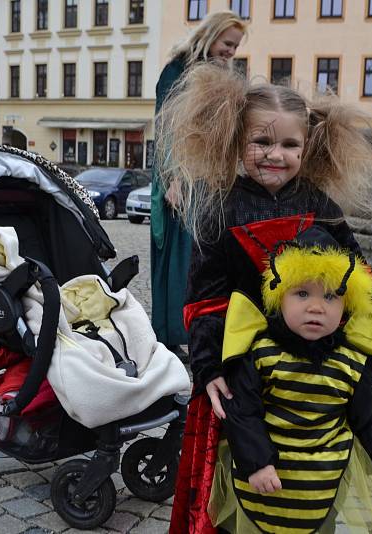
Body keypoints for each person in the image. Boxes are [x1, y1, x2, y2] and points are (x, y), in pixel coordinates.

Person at [155, 65, 372, 533]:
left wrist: (366, 342)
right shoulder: (220, 204)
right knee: (240, 479)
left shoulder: (320, 204)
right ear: (235, 140)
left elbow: (358, 280)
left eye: (290, 145)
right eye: (261, 142)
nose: (275, 155)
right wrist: (208, 368)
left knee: (314, 476)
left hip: (316, 367)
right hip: (246, 367)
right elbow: (205, 299)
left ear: (306, 147)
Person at [209, 227, 372, 533]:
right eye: (302, 293)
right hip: (266, 471)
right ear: (280, 298)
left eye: (331, 296)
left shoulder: (352, 361)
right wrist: (257, 463)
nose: (316, 307)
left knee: (321, 525)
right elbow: (242, 411)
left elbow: (369, 416)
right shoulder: (261, 353)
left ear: (347, 304)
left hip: (323, 475)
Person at [150, 11, 247, 360]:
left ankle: (197, 329)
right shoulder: (178, 70)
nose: (231, 52)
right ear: (211, 35)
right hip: (179, 178)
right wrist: (174, 179)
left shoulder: (217, 73)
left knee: (203, 257)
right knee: (179, 260)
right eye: (227, 43)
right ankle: (171, 333)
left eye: (235, 47)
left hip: (208, 178)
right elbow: (168, 128)